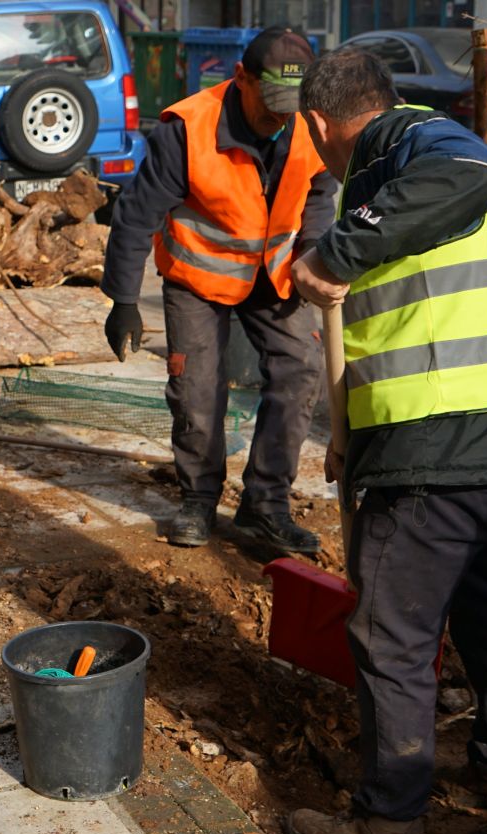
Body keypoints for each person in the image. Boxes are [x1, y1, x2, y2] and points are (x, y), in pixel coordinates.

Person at [284, 48, 487, 834]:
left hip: (444, 446)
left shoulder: (419, 144)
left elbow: (468, 177)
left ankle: (389, 832)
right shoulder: (394, 169)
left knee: (391, 633)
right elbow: (422, 322)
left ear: (318, 125)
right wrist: (354, 442)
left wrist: (336, 252)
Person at [101, 27, 336, 553]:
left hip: (275, 275)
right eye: (270, 102)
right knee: (198, 388)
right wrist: (123, 300)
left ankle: (265, 506)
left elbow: (321, 188)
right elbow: (136, 215)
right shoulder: (188, 129)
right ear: (240, 79)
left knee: (300, 369)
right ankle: (199, 500)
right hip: (198, 279)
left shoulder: (307, 124)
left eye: (290, 106)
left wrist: (314, 250)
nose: (281, 117)